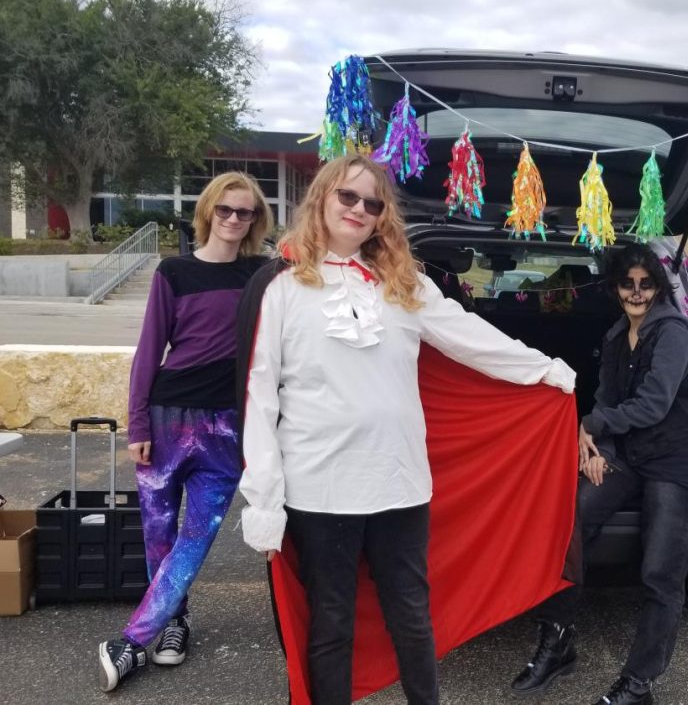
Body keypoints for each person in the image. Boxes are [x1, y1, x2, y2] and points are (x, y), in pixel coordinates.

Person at [237, 154, 576, 705]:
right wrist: (264, 499)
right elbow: (257, 395)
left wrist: (546, 370)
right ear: (322, 197)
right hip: (318, 489)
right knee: (332, 624)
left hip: (399, 483)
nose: (359, 210)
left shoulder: (402, 282)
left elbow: (468, 336)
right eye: (348, 197)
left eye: (372, 203)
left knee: (412, 617)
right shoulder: (279, 286)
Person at [510, 243, 688, 705]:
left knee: (661, 571)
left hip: (677, 459)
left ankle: (638, 684)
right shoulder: (616, 334)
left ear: (658, 286)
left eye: (646, 284)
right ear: (615, 287)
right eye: (628, 283)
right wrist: (597, 448)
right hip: (631, 454)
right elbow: (607, 396)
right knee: (569, 522)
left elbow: (654, 403)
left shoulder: (673, 331)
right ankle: (558, 640)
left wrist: (592, 427)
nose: (637, 292)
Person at [98, 172, 273, 692]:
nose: (235, 220)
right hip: (167, 419)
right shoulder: (172, 271)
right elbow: (149, 351)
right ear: (208, 212)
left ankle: (133, 638)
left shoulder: (263, 276)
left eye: (245, 213)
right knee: (158, 533)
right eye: (226, 210)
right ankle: (175, 621)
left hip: (226, 428)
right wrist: (137, 423)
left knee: (196, 537)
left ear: (255, 220)